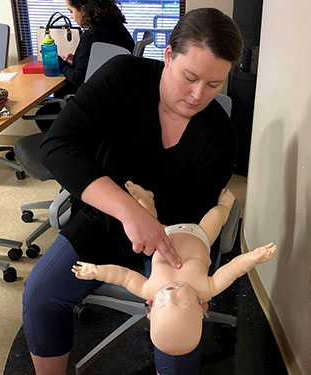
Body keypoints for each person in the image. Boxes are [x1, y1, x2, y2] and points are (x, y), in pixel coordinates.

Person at [23, 7, 244, 375]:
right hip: (104, 219)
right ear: (169, 55)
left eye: (213, 84)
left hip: (170, 243)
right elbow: (58, 145)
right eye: (189, 77)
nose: (197, 95)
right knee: (40, 295)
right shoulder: (125, 77)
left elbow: (194, 223)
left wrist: (182, 284)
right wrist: (130, 212)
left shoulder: (219, 137)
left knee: (178, 332)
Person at [72, 181, 276, 356]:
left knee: (146, 217)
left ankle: (147, 200)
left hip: (161, 235)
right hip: (201, 235)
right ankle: (224, 205)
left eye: (162, 305)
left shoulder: (148, 290)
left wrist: (97, 271)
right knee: (216, 216)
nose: (170, 296)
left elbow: (123, 277)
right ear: (201, 310)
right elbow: (233, 269)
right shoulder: (206, 289)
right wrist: (254, 257)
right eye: (181, 304)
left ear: (150, 312)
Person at [35, 0, 135, 131]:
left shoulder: (93, 35)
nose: (71, 16)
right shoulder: (115, 27)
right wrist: (75, 61)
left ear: (83, 9)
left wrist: (61, 64)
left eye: (71, 11)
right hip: (114, 98)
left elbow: (79, 79)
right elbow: (97, 63)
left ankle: (64, 149)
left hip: (93, 104)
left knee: (44, 115)